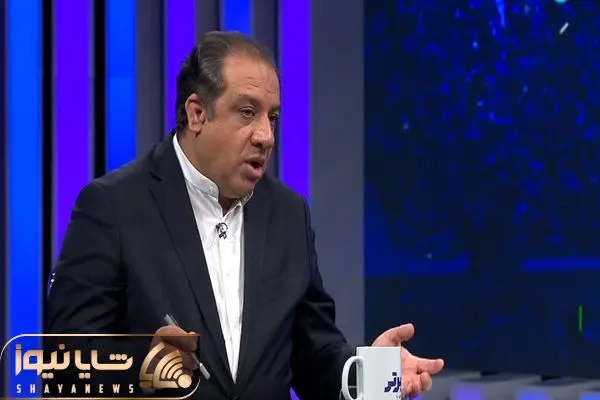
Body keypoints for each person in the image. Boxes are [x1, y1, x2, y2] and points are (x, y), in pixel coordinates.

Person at [45, 31, 444, 399]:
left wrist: (367, 373)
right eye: (247, 112)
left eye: (272, 117)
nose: (266, 136)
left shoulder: (287, 214)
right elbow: (65, 367)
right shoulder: (113, 207)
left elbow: (312, 352)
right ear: (197, 114)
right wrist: (144, 367)